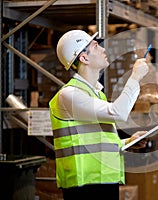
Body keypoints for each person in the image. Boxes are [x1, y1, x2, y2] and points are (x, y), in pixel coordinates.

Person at [49, 30, 149, 200]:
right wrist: (135, 77)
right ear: (84, 58)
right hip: (84, 185)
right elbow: (119, 113)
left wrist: (127, 142)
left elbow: (96, 141)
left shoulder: (96, 94)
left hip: (104, 180)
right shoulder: (69, 95)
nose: (103, 50)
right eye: (95, 46)